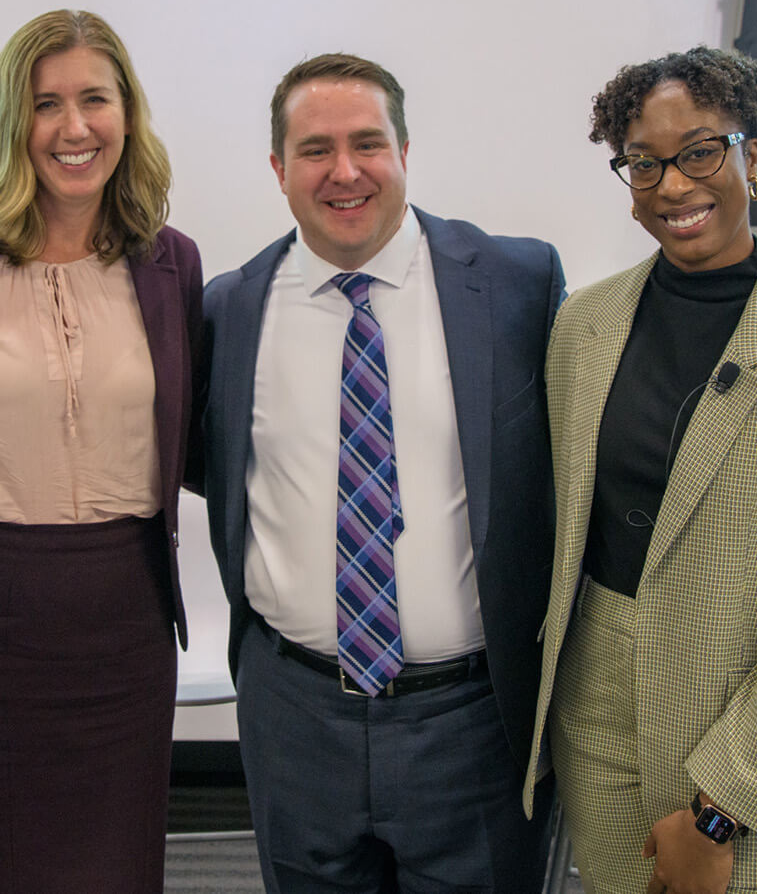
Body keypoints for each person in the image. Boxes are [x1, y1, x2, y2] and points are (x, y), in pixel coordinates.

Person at [521, 46, 757, 894]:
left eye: (700, 151)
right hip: (602, 731)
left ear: (750, 158)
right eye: (645, 164)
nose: (674, 186)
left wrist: (720, 808)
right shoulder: (583, 327)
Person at [200, 52, 562, 892]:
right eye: (315, 150)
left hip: (471, 722)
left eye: (368, 143)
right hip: (295, 719)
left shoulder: (515, 284)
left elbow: (616, 380)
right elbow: (203, 467)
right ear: (278, 170)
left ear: (405, 150)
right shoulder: (230, 307)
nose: (345, 171)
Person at [0, 9, 202, 893]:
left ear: (128, 114)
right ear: (9, 120)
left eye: (94, 99)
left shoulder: (171, 261)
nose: (73, 128)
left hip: (123, 620)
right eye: (45, 103)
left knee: (113, 862)